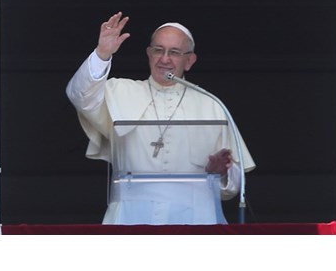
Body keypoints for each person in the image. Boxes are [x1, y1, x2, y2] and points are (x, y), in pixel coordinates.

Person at [66, 12, 255, 224]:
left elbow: (234, 183)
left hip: (196, 216)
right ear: (148, 53)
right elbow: (80, 95)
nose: (164, 59)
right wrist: (102, 54)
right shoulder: (119, 91)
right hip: (130, 215)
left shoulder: (211, 104)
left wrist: (219, 173)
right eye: (158, 50)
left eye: (174, 52)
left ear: (189, 60)